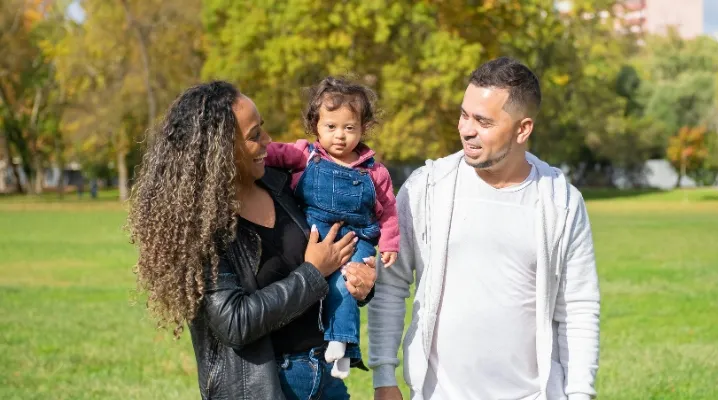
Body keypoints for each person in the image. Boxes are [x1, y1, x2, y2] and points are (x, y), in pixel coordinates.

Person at [126, 81, 378, 400]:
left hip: (326, 378)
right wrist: (312, 272)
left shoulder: (284, 186)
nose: (268, 141)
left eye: (263, 129)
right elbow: (234, 322)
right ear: (220, 150)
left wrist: (361, 280)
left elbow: (339, 246)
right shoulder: (202, 228)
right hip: (262, 388)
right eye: (254, 135)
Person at [368, 57, 601, 400]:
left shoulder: (561, 202)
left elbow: (578, 306)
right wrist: (384, 376)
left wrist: (580, 394)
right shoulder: (426, 188)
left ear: (523, 129)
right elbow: (391, 283)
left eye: (483, 121)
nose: (466, 129)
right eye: (464, 114)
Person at [264, 76, 399, 380]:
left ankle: (342, 344)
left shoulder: (374, 171)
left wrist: (389, 243)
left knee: (345, 285)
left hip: (356, 238)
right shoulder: (305, 154)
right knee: (313, 286)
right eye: (331, 127)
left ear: (363, 128)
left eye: (349, 128)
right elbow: (271, 152)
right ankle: (336, 345)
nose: (340, 136)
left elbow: (389, 210)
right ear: (316, 127)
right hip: (314, 233)